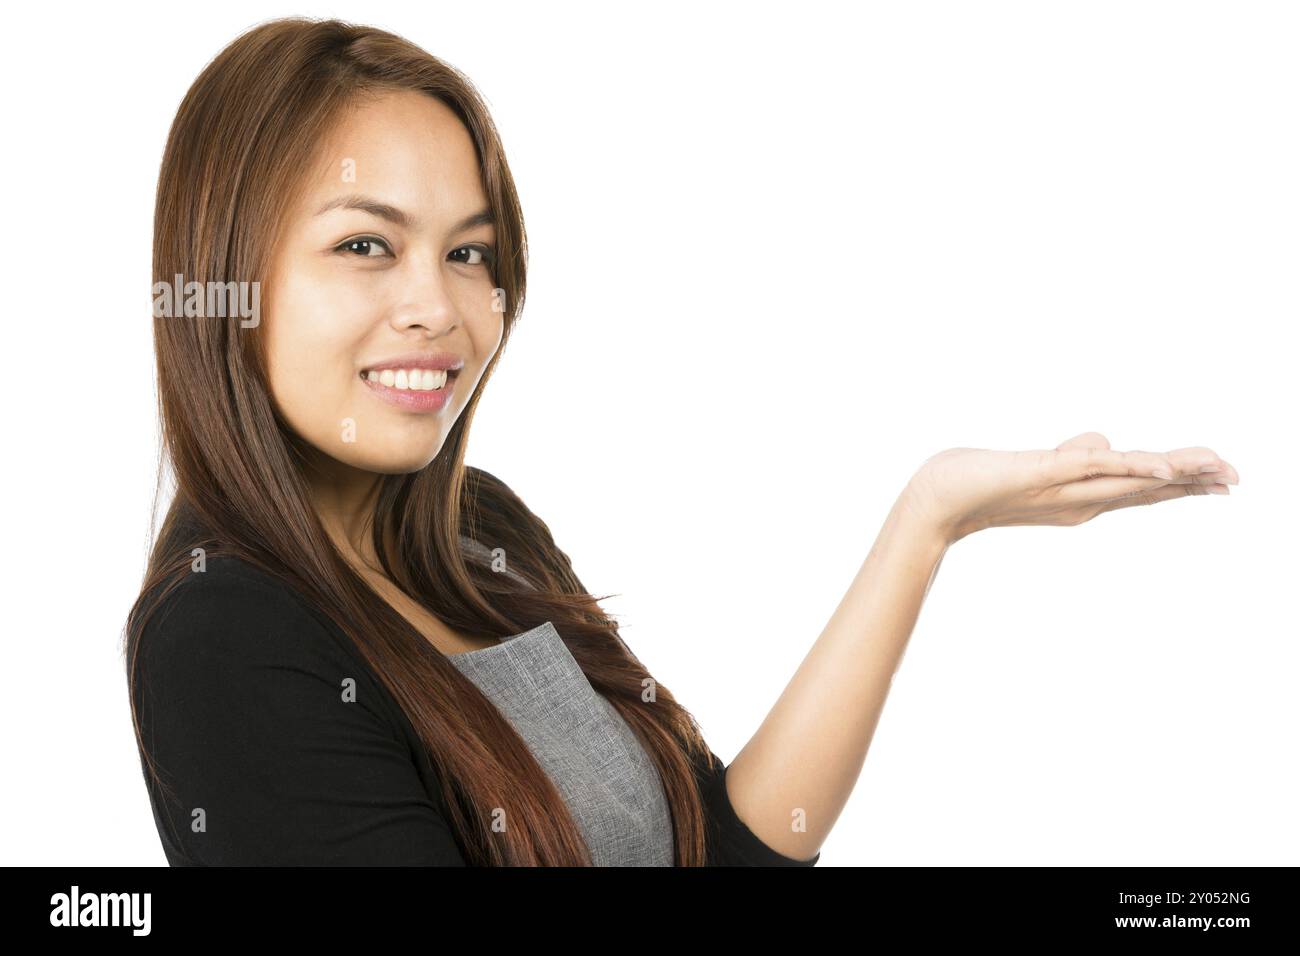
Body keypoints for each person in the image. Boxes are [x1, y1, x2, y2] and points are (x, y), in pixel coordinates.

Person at [124, 17, 1239, 867]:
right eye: (368, 244)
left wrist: (926, 523)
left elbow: (721, 846)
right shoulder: (225, 630)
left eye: (471, 253)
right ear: (227, 281)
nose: (438, 308)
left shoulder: (481, 529)